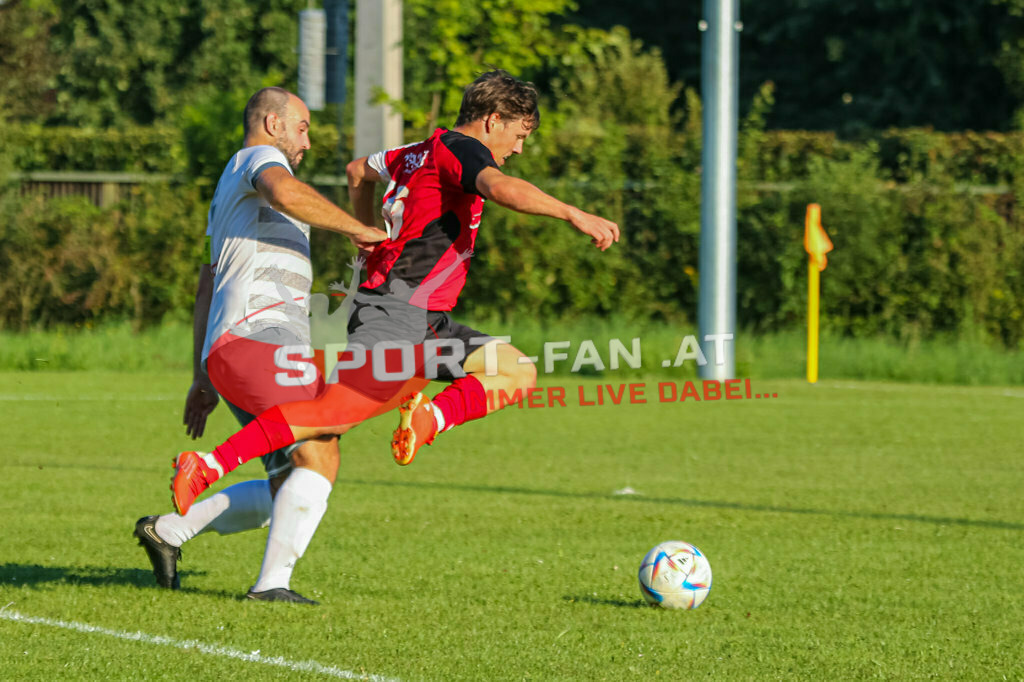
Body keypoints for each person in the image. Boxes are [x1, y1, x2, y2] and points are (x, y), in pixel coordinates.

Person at [169, 69, 619, 514]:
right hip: (394, 312)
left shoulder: (416, 150)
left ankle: (429, 418)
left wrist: (365, 236)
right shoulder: (463, 149)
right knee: (332, 415)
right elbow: (500, 188)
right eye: (518, 134)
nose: (518, 148)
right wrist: (573, 214)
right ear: (493, 120)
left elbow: (357, 170)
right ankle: (208, 464)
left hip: (424, 318)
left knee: (516, 371)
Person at [133, 86, 386, 605]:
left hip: (239, 347)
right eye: (302, 128)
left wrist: (202, 374)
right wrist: (359, 229)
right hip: (257, 341)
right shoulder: (260, 160)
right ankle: (272, 586)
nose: (307, 142)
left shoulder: (230, 188)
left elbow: (207, 285)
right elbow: (284, 193)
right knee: (320, 450)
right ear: (272, 125)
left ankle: (168, 531)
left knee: (289, 479)